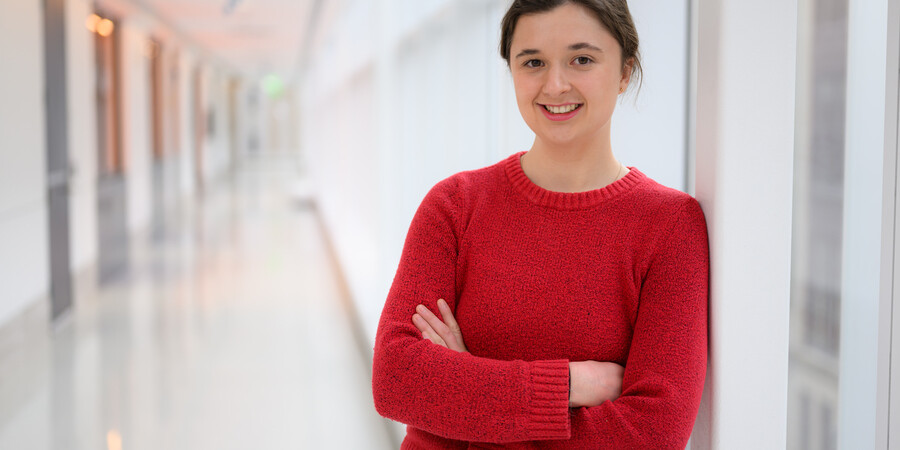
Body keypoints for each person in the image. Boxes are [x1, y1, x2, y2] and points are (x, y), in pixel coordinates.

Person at [372, 0, 709, 448]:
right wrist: (572, 384)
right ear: (511, 70)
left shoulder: (669, 225)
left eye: (582, 59)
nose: (555, 84)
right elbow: (396, 379)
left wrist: (469, 390)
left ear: (626, 71)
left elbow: (652, 432)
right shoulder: (454, 206)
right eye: (533, 62)